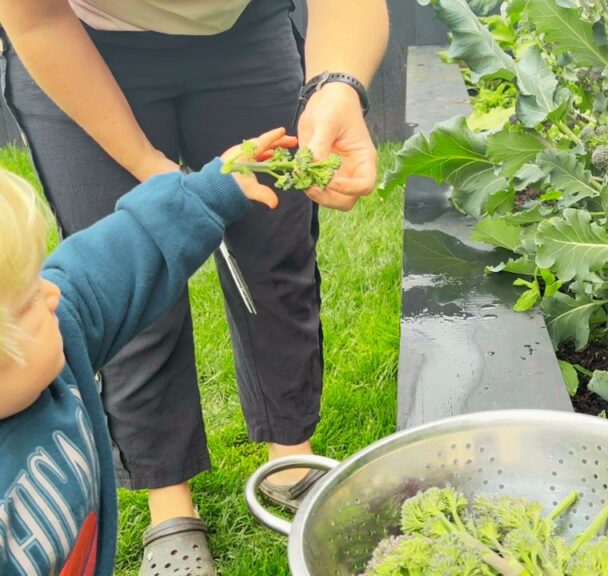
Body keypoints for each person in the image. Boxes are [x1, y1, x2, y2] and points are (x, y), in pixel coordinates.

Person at [0, 1, 387, 573]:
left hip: (245, 33)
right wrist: (154, 173)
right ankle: (168, 499)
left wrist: (337, 85)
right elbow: (35, 16)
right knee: (137, 289)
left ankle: (290, 458)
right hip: (80, 41)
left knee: (276, 249)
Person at [0, 129, 294, 576]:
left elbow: (109, 263)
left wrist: (210, 191)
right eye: (27, 300)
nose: (52, 293)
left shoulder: (50, 345)